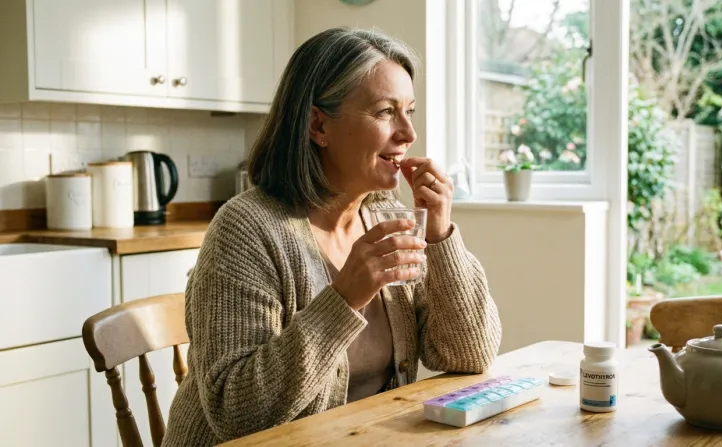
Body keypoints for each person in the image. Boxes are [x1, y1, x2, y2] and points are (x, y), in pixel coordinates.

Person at [162, 27, 501, 446]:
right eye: (385, 112)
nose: (408, 133)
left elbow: (469, 355)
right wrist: (343, 300)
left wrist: (441, 236)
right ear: (318, 125)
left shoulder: (387, 215)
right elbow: (236, 414)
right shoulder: (247, 229)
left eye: (409, 111)